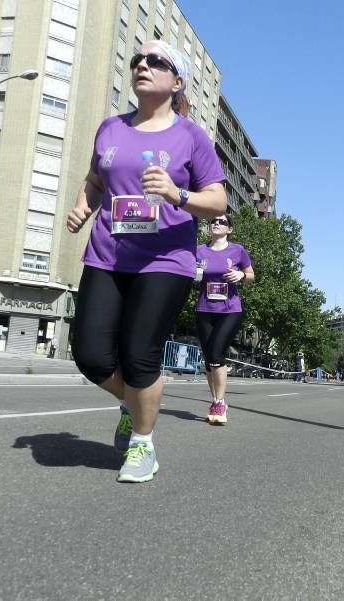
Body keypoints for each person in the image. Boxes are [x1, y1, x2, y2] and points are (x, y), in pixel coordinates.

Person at [65, 39, 227, 484]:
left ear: (176, 83)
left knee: (140, 355)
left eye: (157, 61)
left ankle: (142, 443)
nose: (143, 65)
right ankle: (133, 402)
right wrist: (84, 204)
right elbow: (95, 179)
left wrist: (178, 194)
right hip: (106, 255)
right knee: (92, 355)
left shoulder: (190, 136)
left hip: (165, 260)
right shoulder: (110, 129)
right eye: (139, 58)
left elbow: (218, 200)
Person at [195, 213, 254, 425]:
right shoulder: (199, 251)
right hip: (204, 309)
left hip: (230, 310)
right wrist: (193, 273)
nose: (217, 224)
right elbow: (192, 275)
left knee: (217, 354)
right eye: (213, 221)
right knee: (209, 358)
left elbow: (251, 275)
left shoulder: (237, 250)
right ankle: (215, 400)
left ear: (229, 229)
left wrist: (241, 276)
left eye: (222, 222)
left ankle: (220, 402)